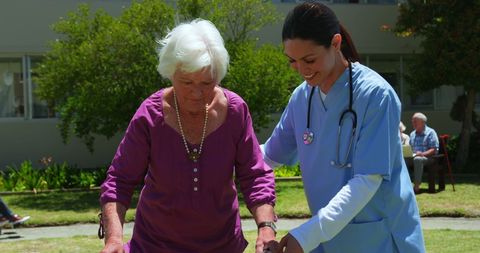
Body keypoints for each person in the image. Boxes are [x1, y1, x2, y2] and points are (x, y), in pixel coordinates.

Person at [99, 19, 276, 253]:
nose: (196, 92)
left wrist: (266, 227)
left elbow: (255, 176)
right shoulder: (150, 115)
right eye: (186, 82)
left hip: (222, 245)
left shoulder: (235, 111)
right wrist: (113, 239)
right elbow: (119, 180)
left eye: (206, 83)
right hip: (155, 245)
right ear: (170, 72)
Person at [262, 2, 425, 252]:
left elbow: (367, 181)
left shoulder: (376, 95)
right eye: (292, 61)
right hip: (327, 239)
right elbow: (266, 158)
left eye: (309, 59)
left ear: (335, 43)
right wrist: (219, 159)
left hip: (379, 239)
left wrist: (307, 235)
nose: (302, 70)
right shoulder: (301, 98)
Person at [409, 112, 439, 194]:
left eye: (415, 121)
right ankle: (405, 185)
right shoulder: (412, 134)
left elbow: (434, 149)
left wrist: (422, 154)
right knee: (402, 160)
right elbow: (410, 148)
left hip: (428, 158)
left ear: (422, 122)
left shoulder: (431, 133)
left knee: (418, 159)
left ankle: (416, 186)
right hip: (414, 156)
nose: (413, 123)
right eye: (412, 121)